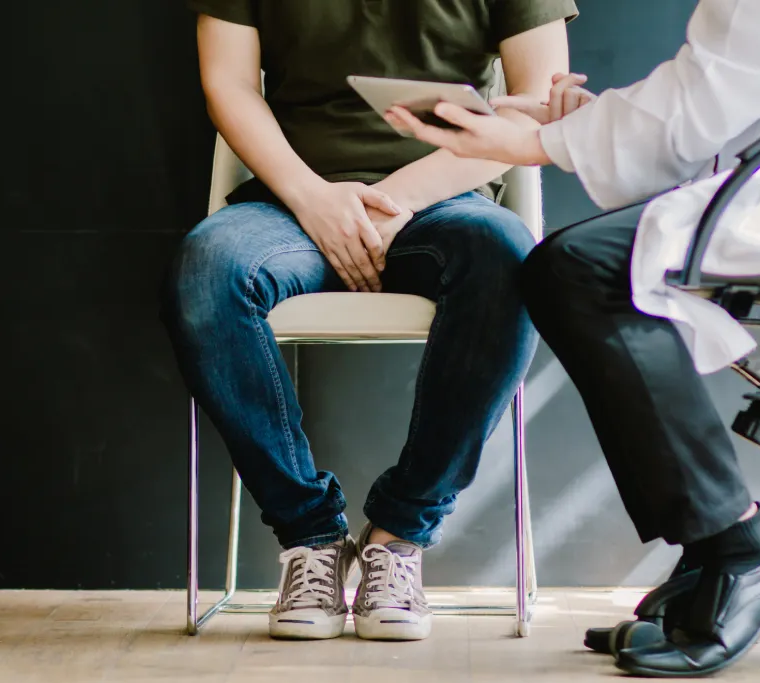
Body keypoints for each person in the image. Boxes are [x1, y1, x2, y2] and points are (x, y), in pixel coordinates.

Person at [388, 0, 760, 676]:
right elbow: (720, 89)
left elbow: (720, 90)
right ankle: (711, 551)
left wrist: (539, 143)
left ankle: (739, 546)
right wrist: (580, 126)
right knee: (574, 266)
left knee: (581, 269)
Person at [163, 0, 578, 641]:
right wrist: (314, 199)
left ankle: (399, 537)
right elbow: (230, 85)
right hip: (290, 205)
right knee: (207, 269)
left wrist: (400, 200)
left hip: (447, 203)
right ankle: (311, 540)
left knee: (510, 262)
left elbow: (537, 107)